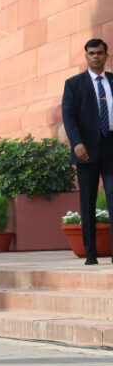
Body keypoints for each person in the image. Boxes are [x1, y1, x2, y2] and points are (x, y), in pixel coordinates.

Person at [61, 38, 113, 265]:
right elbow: (69, 116)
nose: (95, 57)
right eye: (91, 53)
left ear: (106, 56)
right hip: (86, 150)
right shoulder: (74, 84)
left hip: (111, 146)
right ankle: (90, 254)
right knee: (88, 200)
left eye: (99, 53)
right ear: (86, 56)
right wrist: (76, 142)